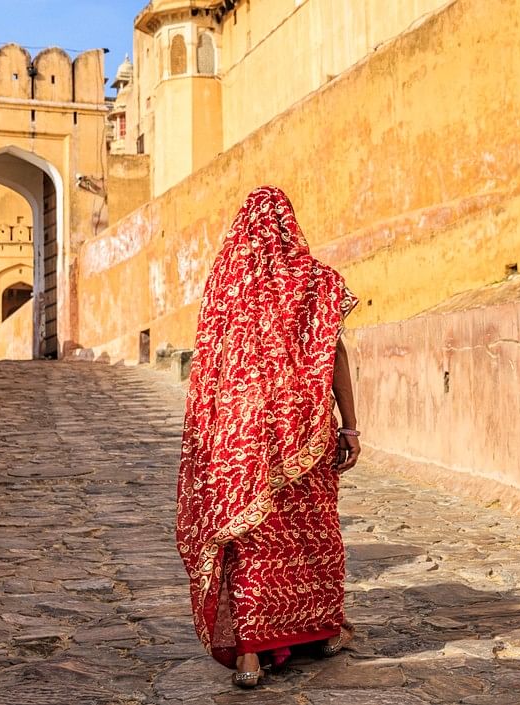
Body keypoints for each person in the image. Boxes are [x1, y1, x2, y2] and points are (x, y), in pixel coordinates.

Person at [176, 186, 361, 688]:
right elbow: (334, 353)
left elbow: (209, 372)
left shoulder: (224, 286)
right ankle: (322, 631)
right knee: (310, 534)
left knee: (252, 540)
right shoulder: (314, 281)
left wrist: (212, 440)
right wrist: (349, 423)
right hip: (306, 435)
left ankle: (251, 657)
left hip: (243, 441)